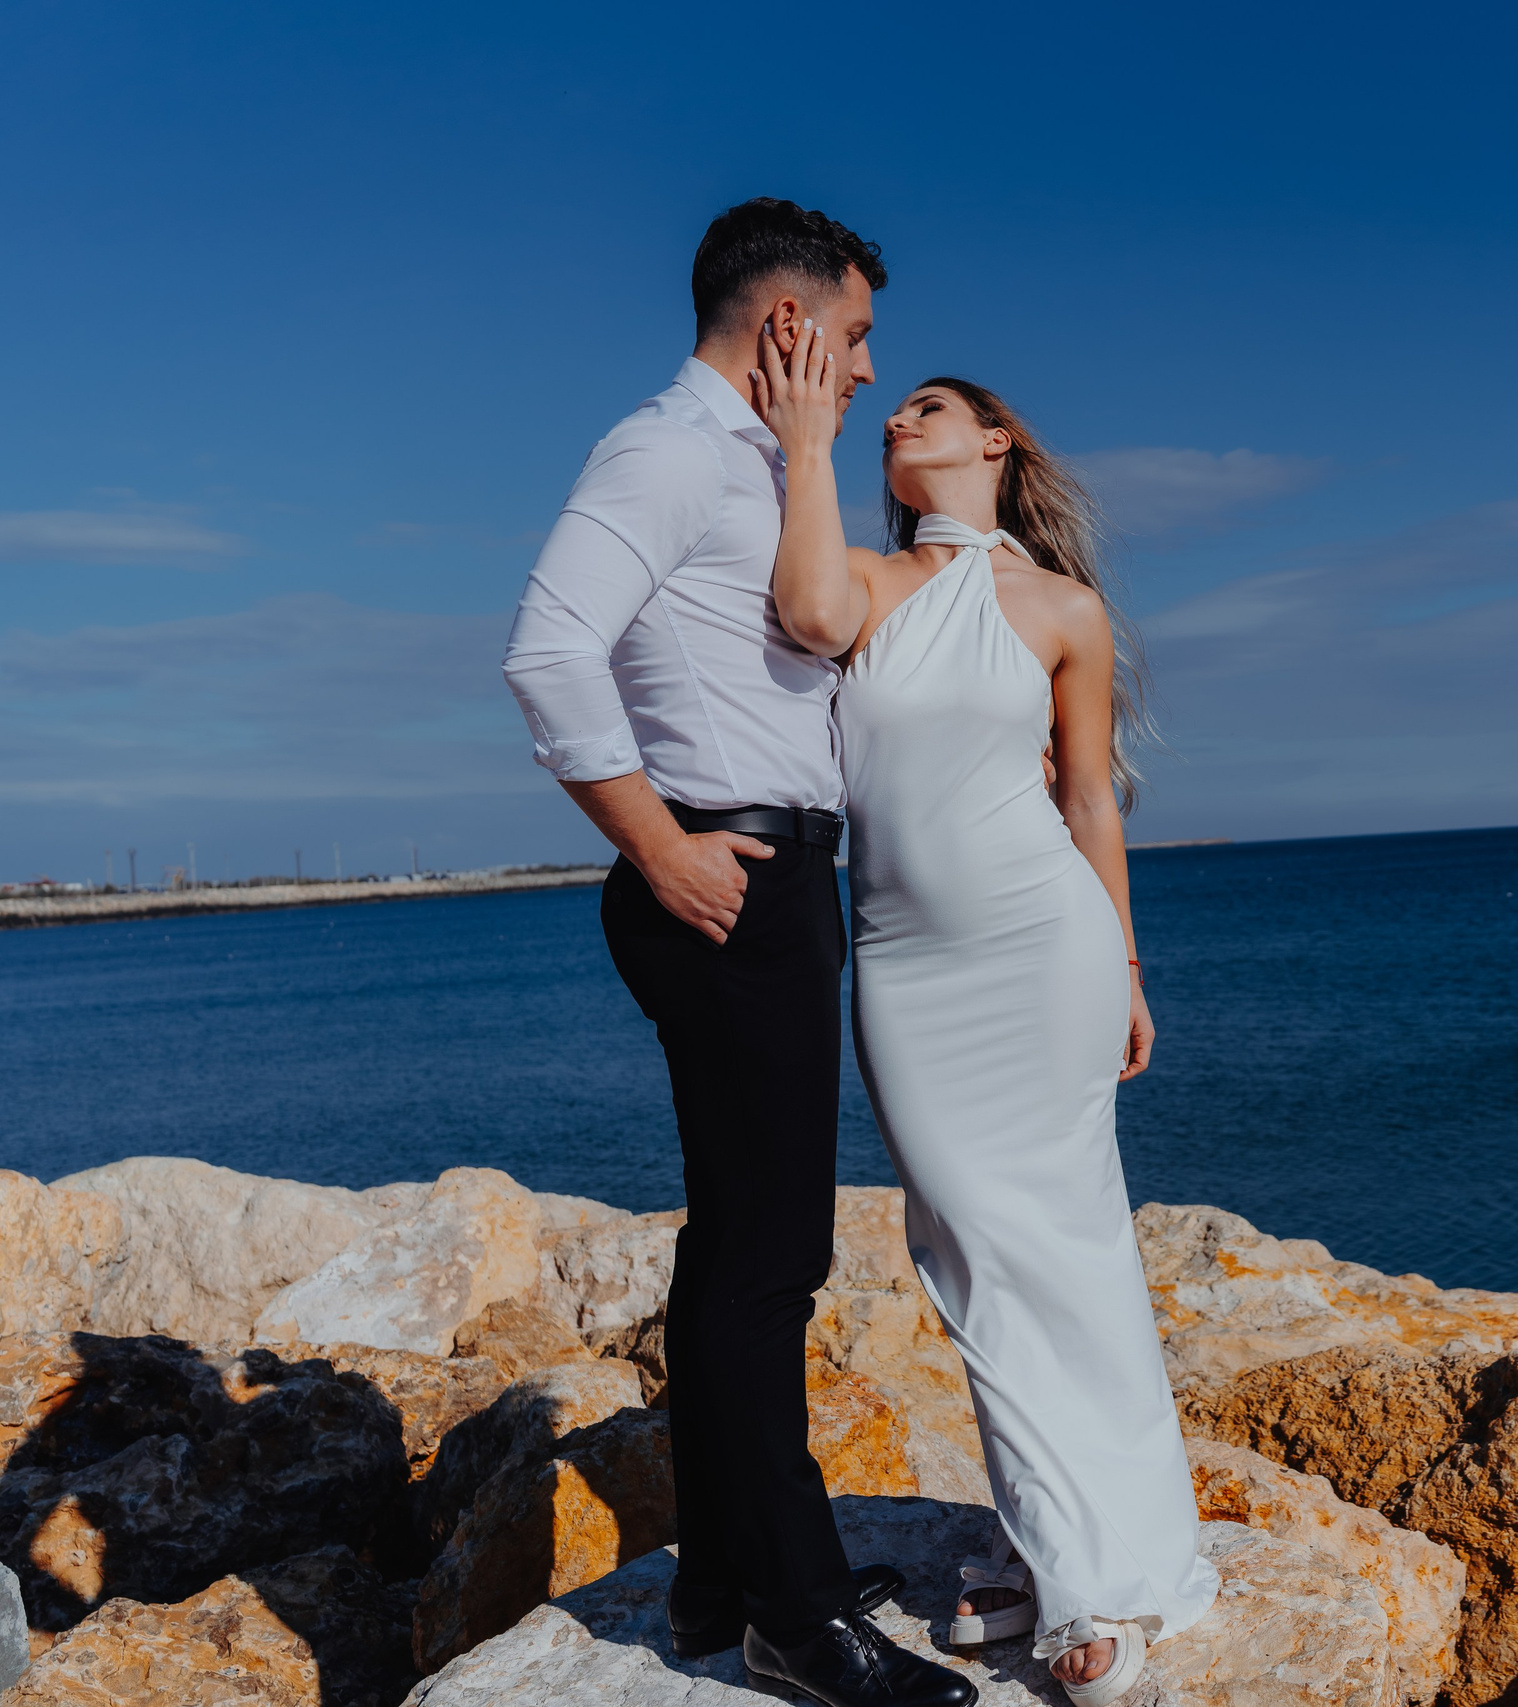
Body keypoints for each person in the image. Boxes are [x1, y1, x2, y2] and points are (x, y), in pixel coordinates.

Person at [501, 198, 976, 1707]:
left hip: (762, 871)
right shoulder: (669, 449)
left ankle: (726, 1579)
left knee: (733, 1249)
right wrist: (657, 843)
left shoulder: (762, 465)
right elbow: (546, 647)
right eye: (856, 338)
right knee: (773, 1262)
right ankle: (799, 1613)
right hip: (727, 871)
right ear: (789, 326)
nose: (862, 365)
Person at [752, 330, 1219, 1706]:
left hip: (1046, 948)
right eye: (890, 410)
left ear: (998, 445)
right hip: (906, 968)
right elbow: (806, 611)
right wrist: (802, 444)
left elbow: (1087, 801)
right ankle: (1071, 1536)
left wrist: (1126, 969)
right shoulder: (876, 584)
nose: (899, 414)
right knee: (968, 1258)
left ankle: (1086, 1577)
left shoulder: (1065, 610)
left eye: (930, 404)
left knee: (1067, 1252)